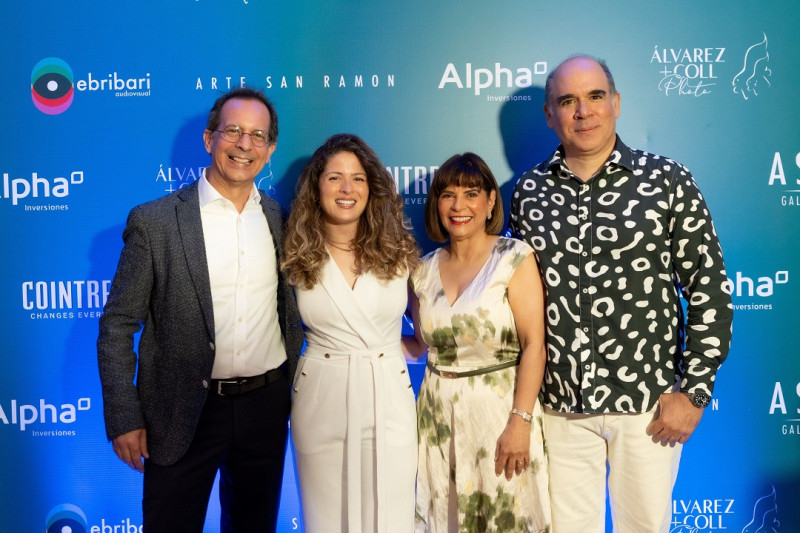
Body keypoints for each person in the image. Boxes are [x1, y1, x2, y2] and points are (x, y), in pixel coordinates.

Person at [509, 55, 734, 533]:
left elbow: (710, 288)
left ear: (616, 104)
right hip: (561, 408)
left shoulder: (667, 180)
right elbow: (518, 306)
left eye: (594, 97)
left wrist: (694, 393)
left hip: (648, 407)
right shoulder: (528, 192)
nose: (583, 111)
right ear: (550, 115)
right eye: (567, 101)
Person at [97, 87, 303, 533]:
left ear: (269, 150)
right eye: (233, 131)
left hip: (266, 408)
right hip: (182, 408)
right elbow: (117, 325)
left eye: (257, 135)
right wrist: (124, 417)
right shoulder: (155, 222)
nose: (244, 144)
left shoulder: (282, 221)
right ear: (210, 139)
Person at [404, 152, 551, 532]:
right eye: (447, 194)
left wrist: (520, 422)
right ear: (436, 204)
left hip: (500, 416)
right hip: (437, 419)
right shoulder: (420, 270)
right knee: (445, 517)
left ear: (489, 202)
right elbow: (423, 346)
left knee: (507, 517)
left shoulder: (513, 258)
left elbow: (535, 344)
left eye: (471, 194)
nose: (458, 205)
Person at [282, 133, 420, 533]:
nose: (347, 189)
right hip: (320, 397)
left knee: (392, 517)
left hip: (389, 396)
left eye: (358, 178)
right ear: (316, 187)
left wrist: (392, 352)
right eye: (335, 178)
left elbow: (427, 333)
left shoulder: (398, 251)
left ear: (371, 187)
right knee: (326, 518)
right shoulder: (293, 253)